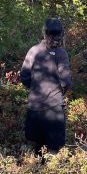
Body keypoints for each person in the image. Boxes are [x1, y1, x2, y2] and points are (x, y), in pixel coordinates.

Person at [20, 18, 72, 155]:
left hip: (35, 106)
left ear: (44, 32)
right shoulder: (62, 54)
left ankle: (39, 173)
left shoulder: (33, 51)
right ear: (61, 33)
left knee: (38, 147)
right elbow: (66, 81)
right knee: (54, 150)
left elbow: (24, 76)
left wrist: (34, 89)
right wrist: (60, 92)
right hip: (54, 108)